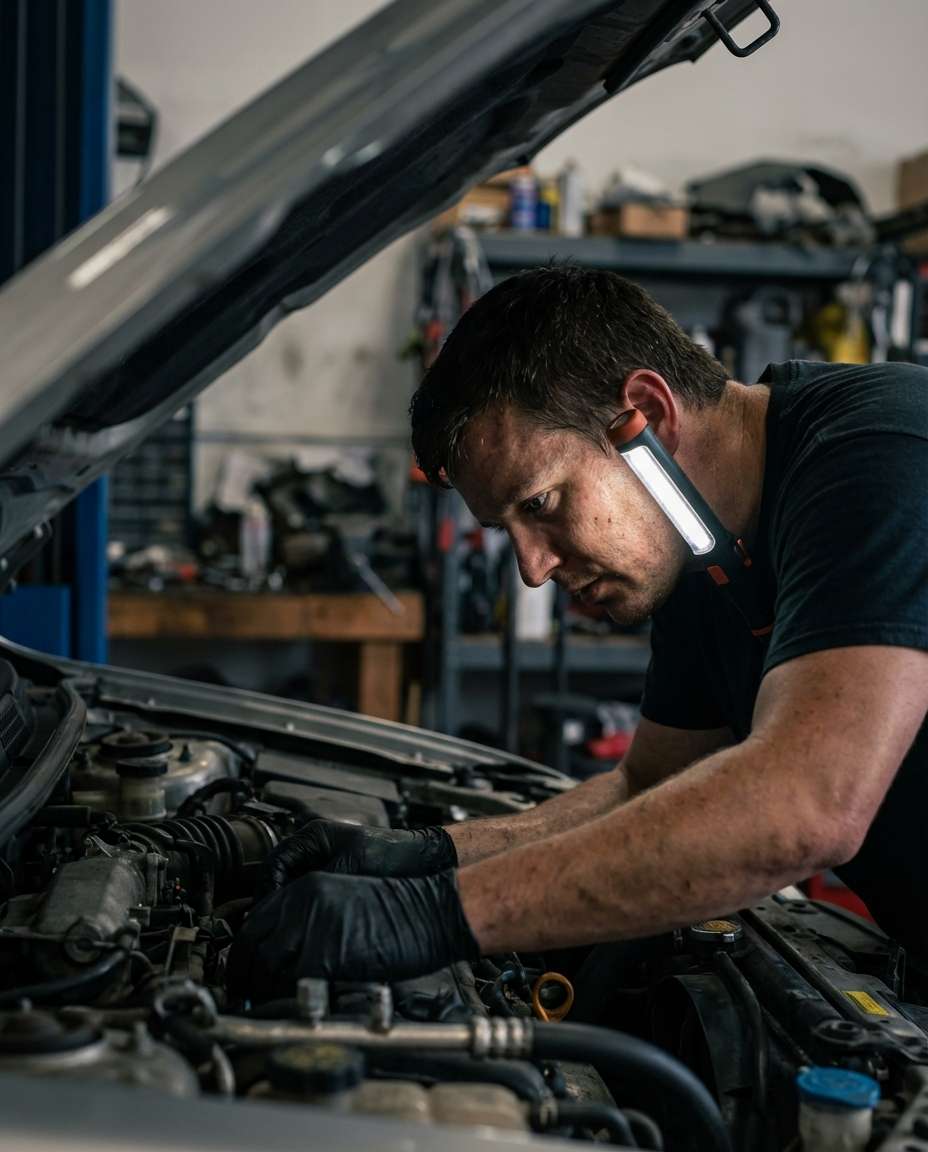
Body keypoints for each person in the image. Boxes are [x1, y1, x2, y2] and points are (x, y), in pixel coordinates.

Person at [227, 266, 928, 1000]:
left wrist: (436, 916)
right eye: (509, 531)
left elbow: (806, 804)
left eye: (543, 501)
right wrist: (419, 856)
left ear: (648, 416)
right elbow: (645, 787)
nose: (533, 569)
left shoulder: (885, 451)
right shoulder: (702, 556)